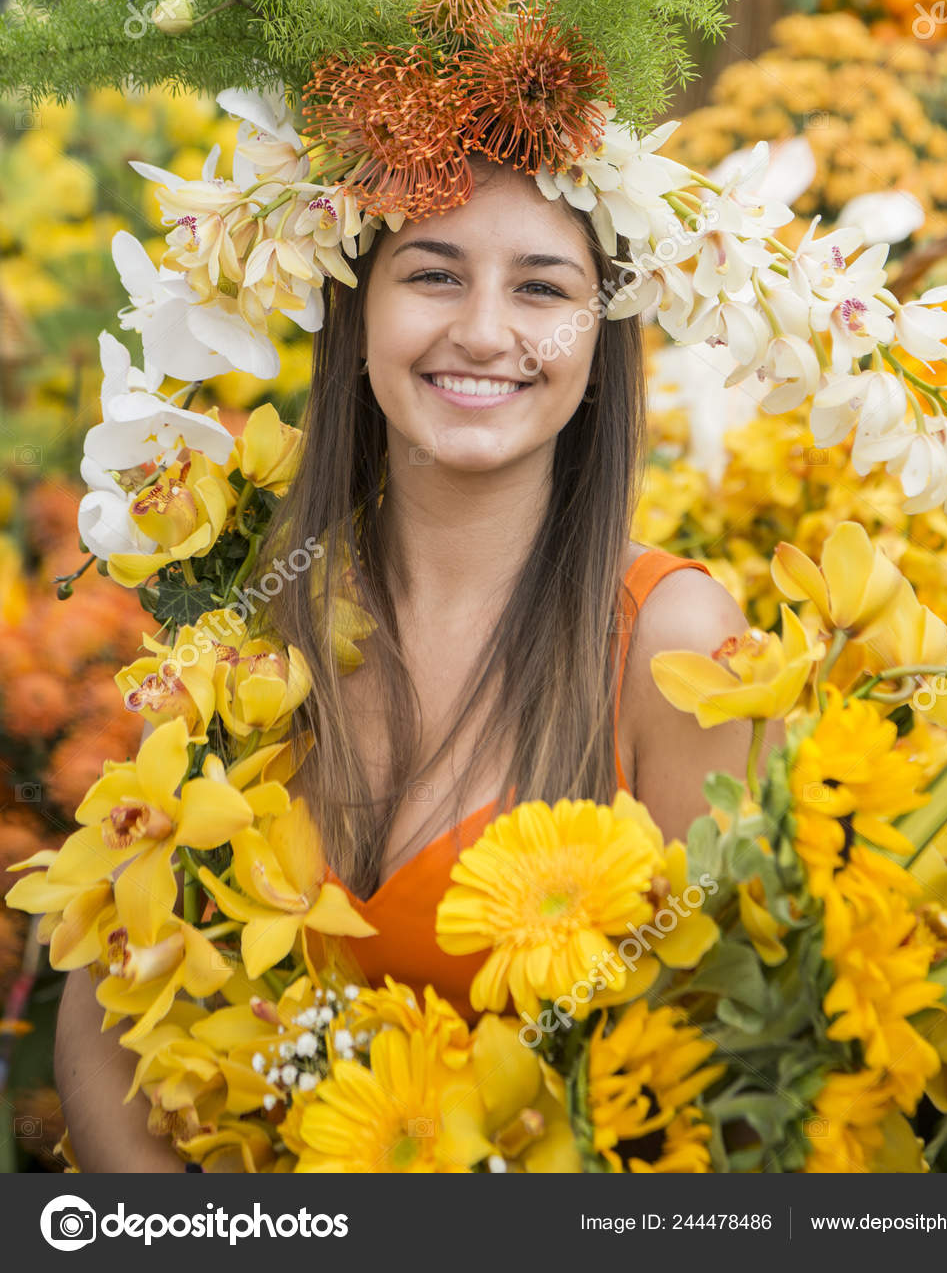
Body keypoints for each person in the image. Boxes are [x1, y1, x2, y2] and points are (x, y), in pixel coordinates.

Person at [54, 149, 753, 1171]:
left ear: (602, 339)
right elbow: (102, 999)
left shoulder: (673, 639)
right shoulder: (251, 608)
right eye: (432, 271)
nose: (482, 329)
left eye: (543, 287)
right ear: (355, 314)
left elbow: (731, 1090)